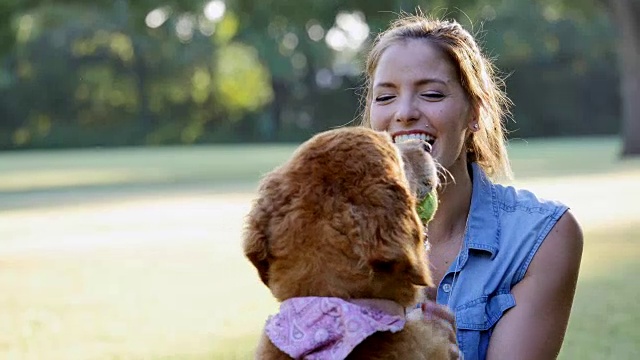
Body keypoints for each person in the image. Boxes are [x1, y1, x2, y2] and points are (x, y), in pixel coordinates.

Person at [359, 13, 584, 359]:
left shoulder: (540, 237)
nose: (403, 113)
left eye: (432, 94)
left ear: (475, 112)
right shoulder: (341, 233)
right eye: (385, 97)